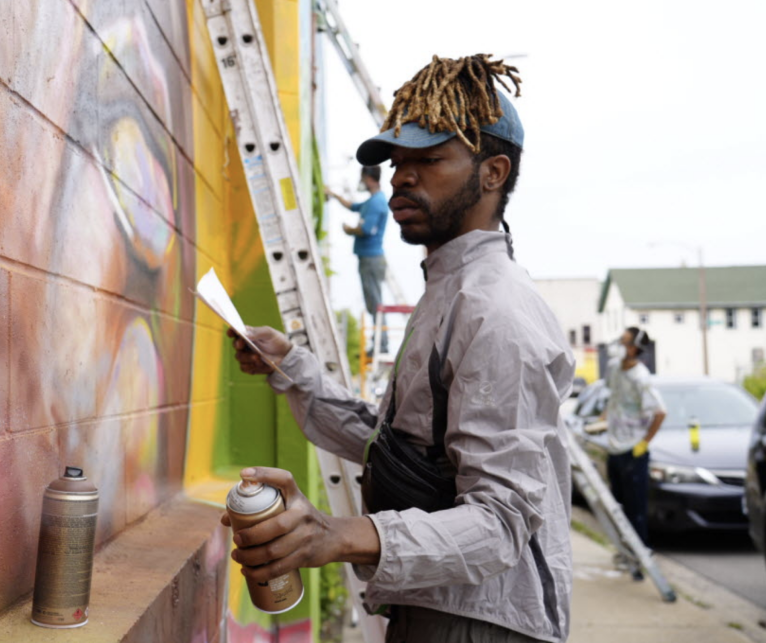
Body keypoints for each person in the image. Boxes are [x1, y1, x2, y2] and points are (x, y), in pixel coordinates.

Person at [225, 54, 574, 643]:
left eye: (429, 159)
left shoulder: (496, 312)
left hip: (481, 623)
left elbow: (500, 523)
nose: (401, 178)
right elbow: (395, 449)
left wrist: (339, 535)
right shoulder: (449, 290)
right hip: (438, 608)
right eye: (397, 162)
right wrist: (291, 366)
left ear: (493, 173)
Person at [602, 326, 666, 575]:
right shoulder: (614, 370)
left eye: (625, 342)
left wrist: (643, 443)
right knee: (618, 507)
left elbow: (660, 412)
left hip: (633, 452)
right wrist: (601, 422)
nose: (620, 345)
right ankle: (626, 553)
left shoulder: (642, 378)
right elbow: (613, 400)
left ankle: (640, 562)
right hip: (615, 448)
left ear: (635, 348)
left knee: (635, 510)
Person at [326, 167, 389, 353]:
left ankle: (381, 345)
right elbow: (353, 206)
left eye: (362, 178)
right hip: (368, 258)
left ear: (369, 179)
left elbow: (366, 230)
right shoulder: (372, 201)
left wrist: (349, 230)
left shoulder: (377, 203)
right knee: (373, 302)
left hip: (371, 259)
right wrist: (334, 195)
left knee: (375, 303)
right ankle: (380, 343)